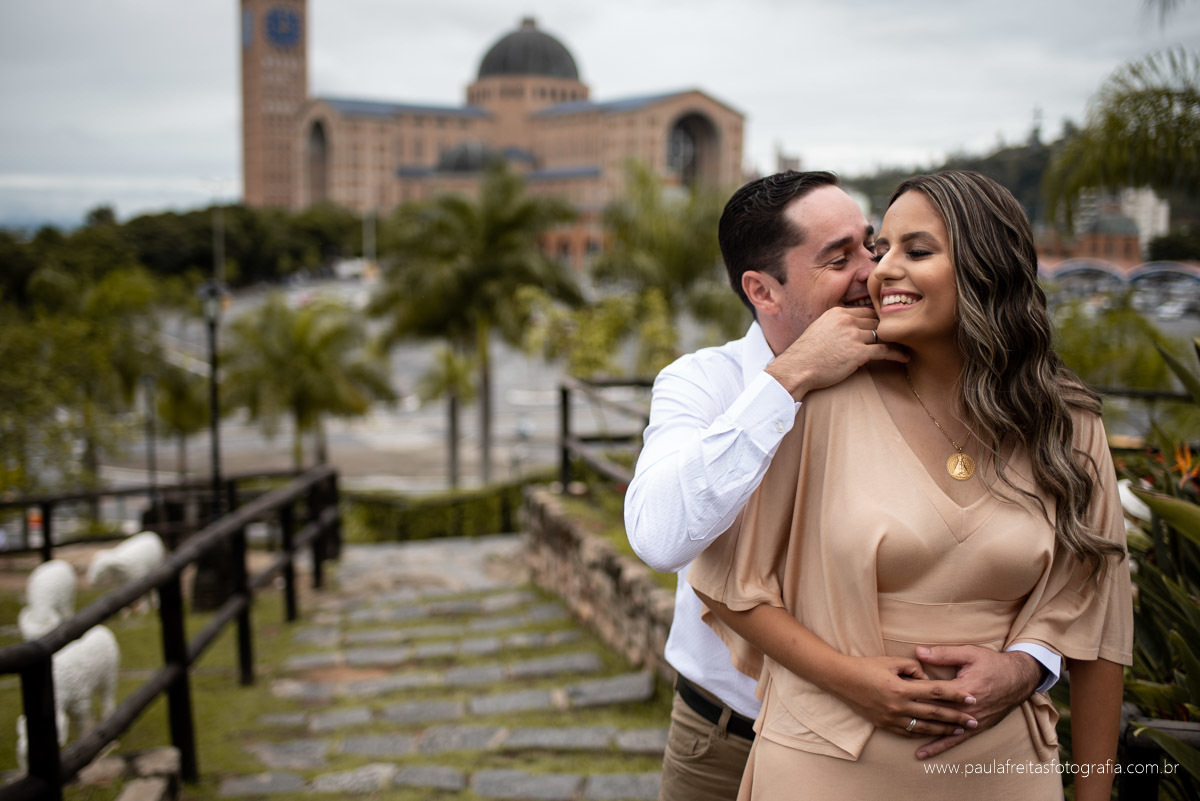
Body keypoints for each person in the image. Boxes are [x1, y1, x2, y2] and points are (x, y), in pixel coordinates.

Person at [688, 170, 1132, 800]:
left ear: (985, 269)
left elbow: (1097, 623)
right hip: (825, 764)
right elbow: (730, 584)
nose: (878, 271)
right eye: (881, 249)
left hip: (1001, 772)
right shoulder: (818, 399)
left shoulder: (1067, 424)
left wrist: (1027, 668)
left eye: (914, 252)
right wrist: (852, 680)